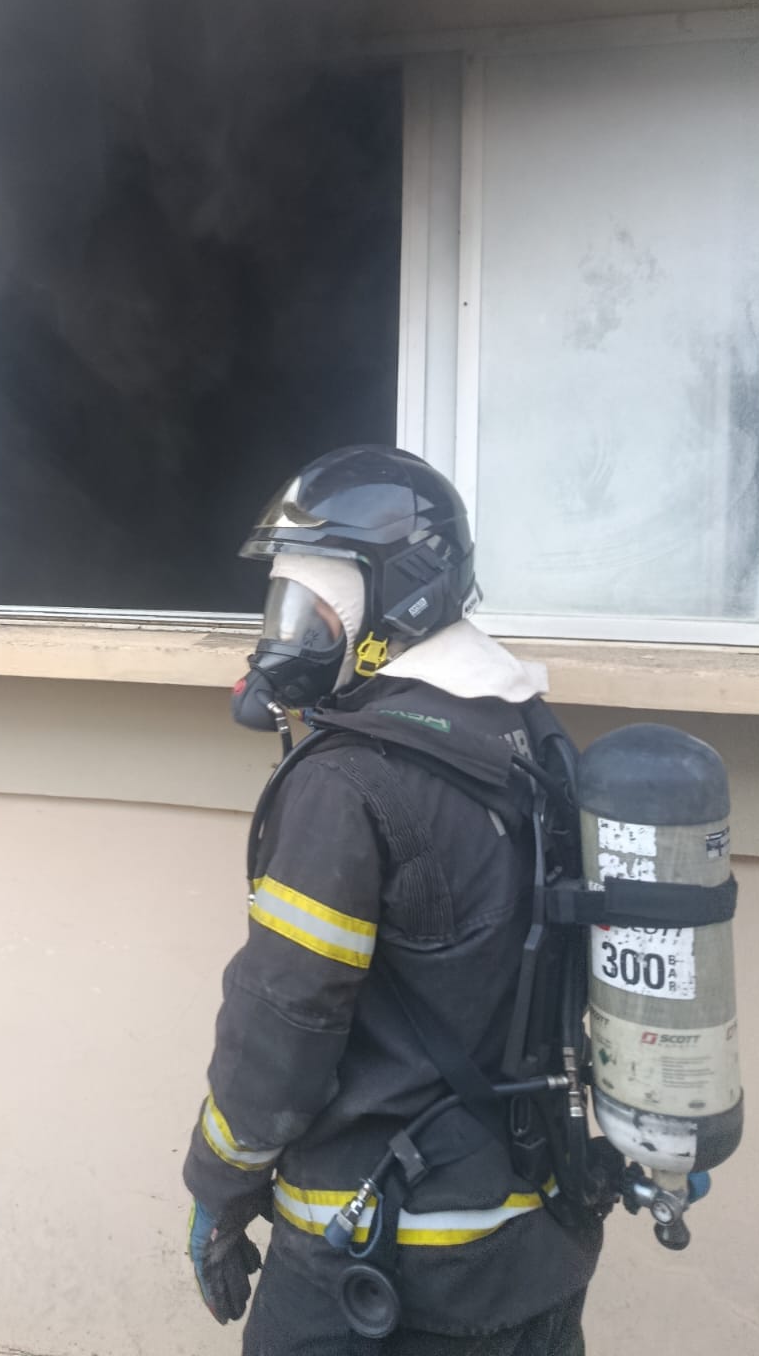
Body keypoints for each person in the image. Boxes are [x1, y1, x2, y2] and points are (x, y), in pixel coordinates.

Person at [183, 444, 602, 1355]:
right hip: (538, 1242)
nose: (288, 637)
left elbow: (283, 1023)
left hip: (377, 1265)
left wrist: (219, 1184)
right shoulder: (530, 736)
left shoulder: (347, 782)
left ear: (398, 598)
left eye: (311, 607)